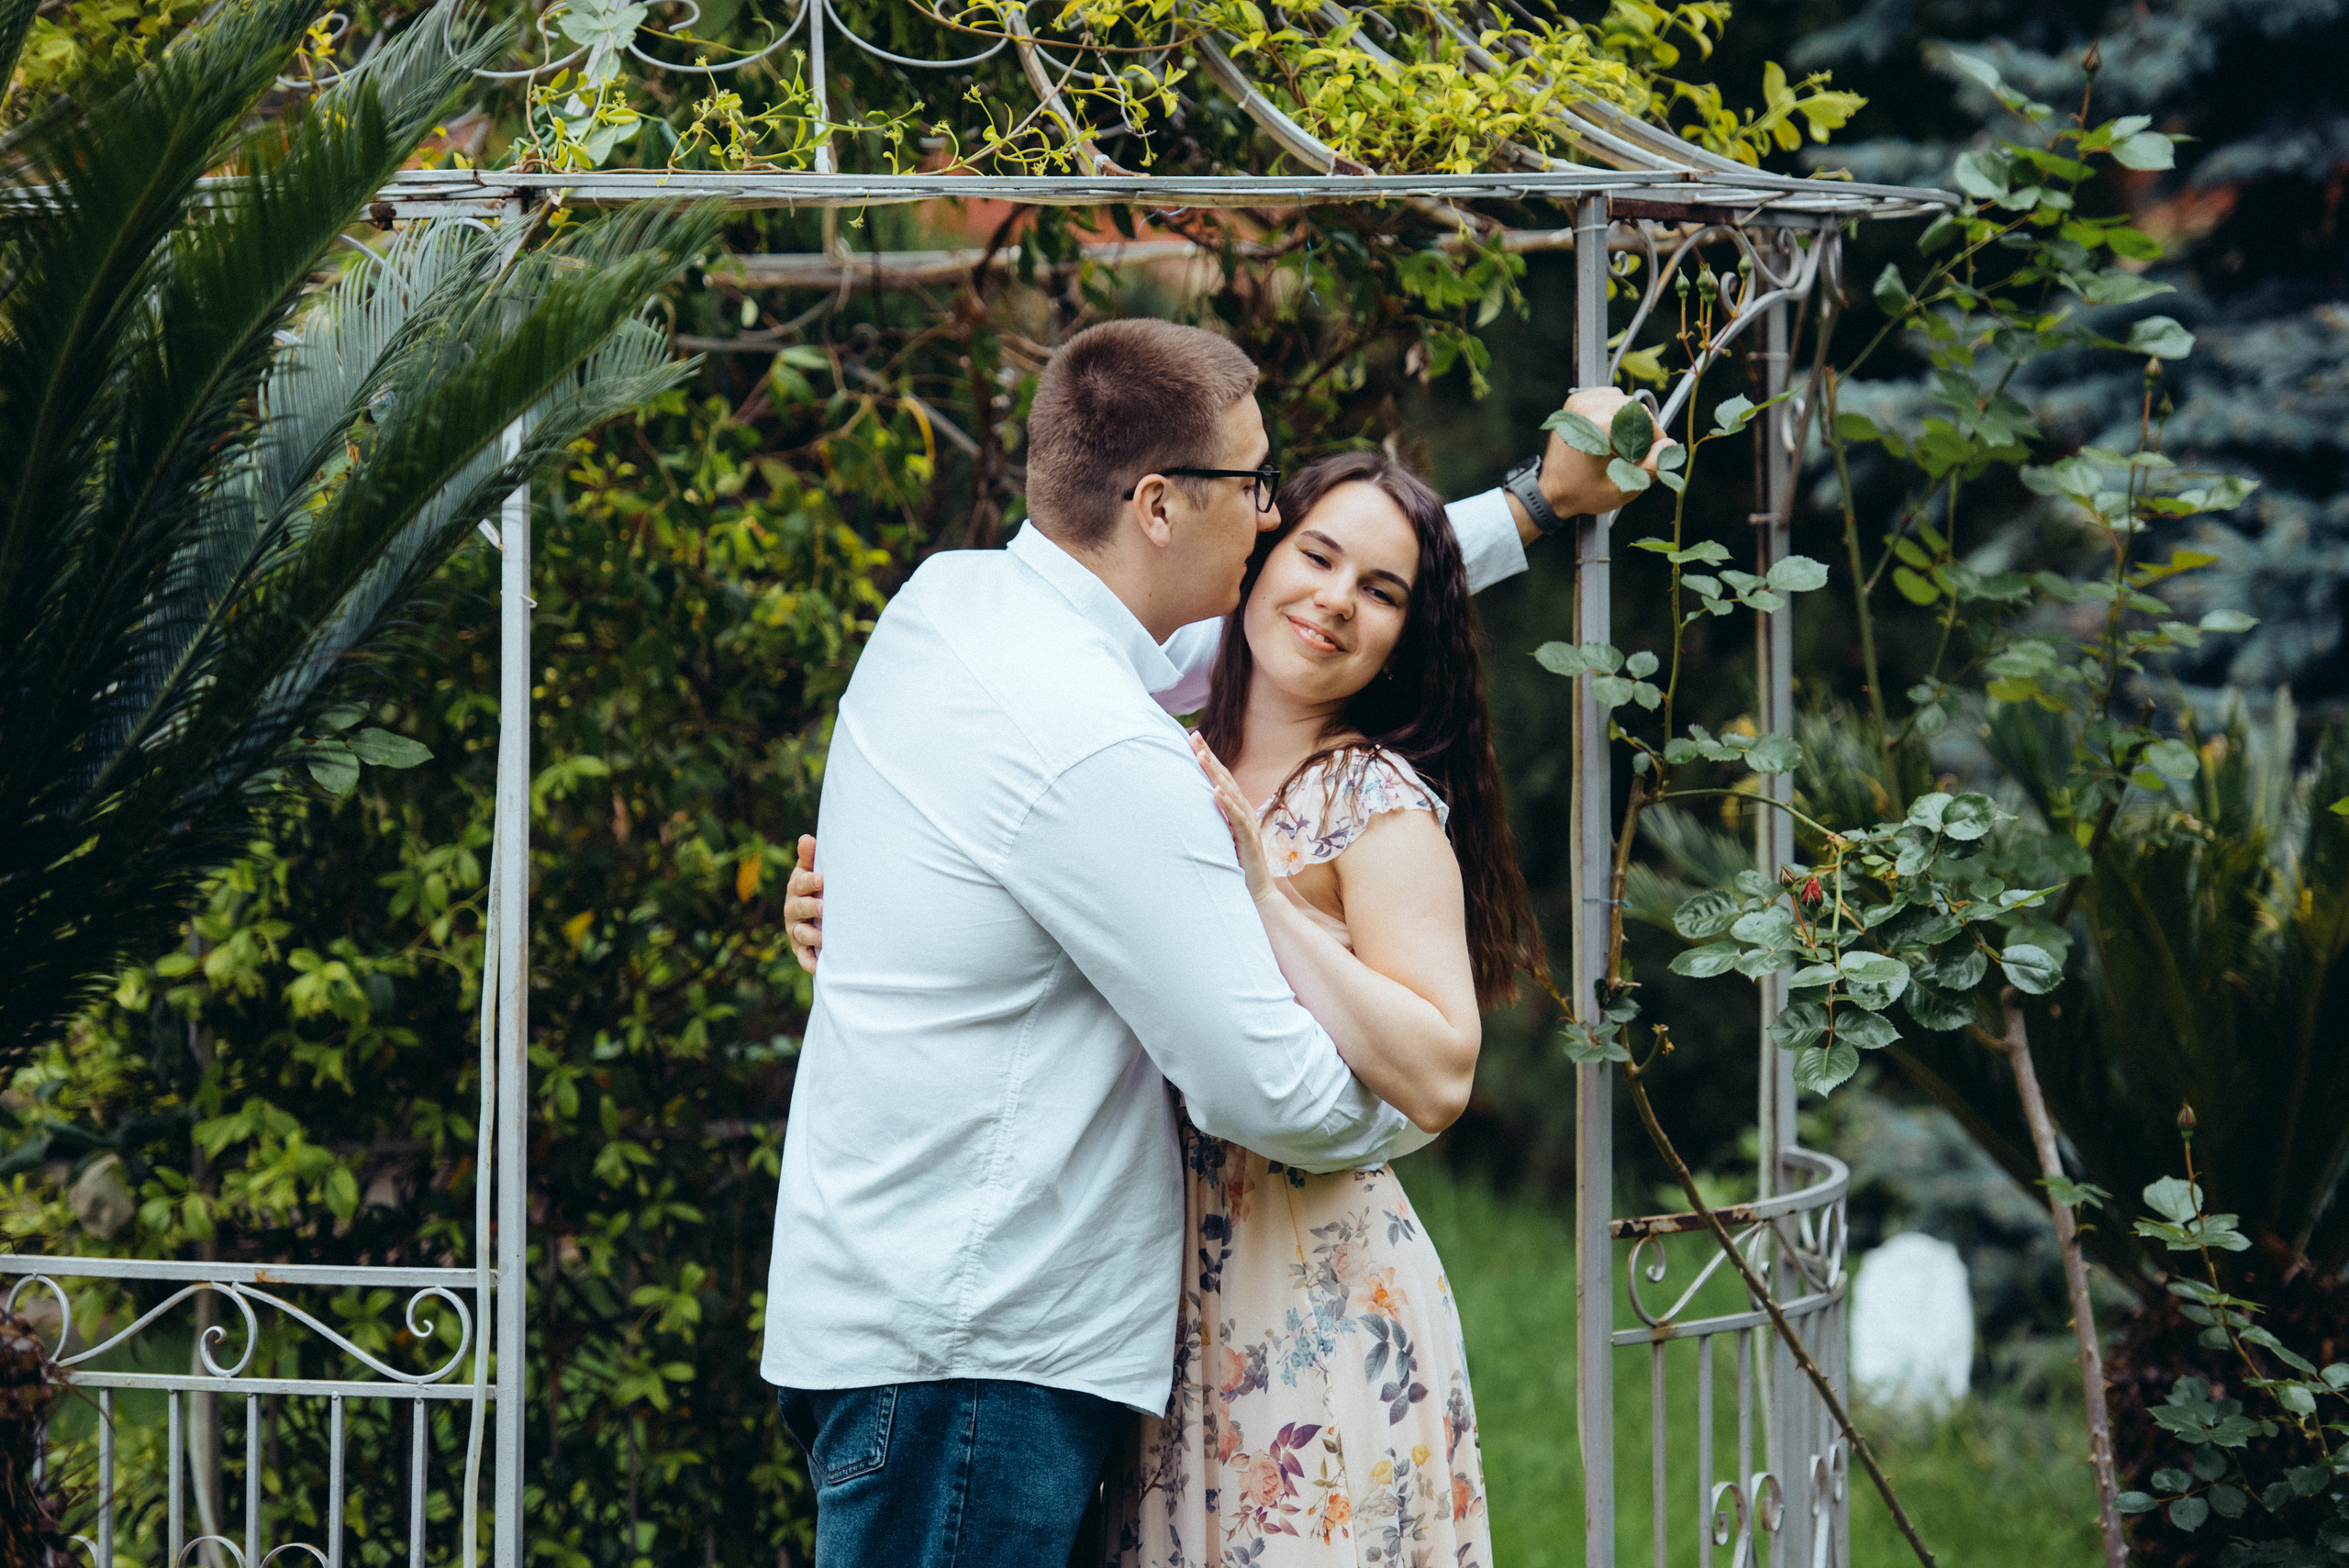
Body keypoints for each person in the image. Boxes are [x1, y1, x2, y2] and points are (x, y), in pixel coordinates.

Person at [763, 316, 1658, 1568]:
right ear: (1158, 506)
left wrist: (1532, 505)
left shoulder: (952, 603)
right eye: (1256, 490)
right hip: (975, 1351)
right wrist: (1407, 1097)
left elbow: (1307, 609)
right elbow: (1272, 1092)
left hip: (941, 1319)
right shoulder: (1108, 744)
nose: (1270, 515)